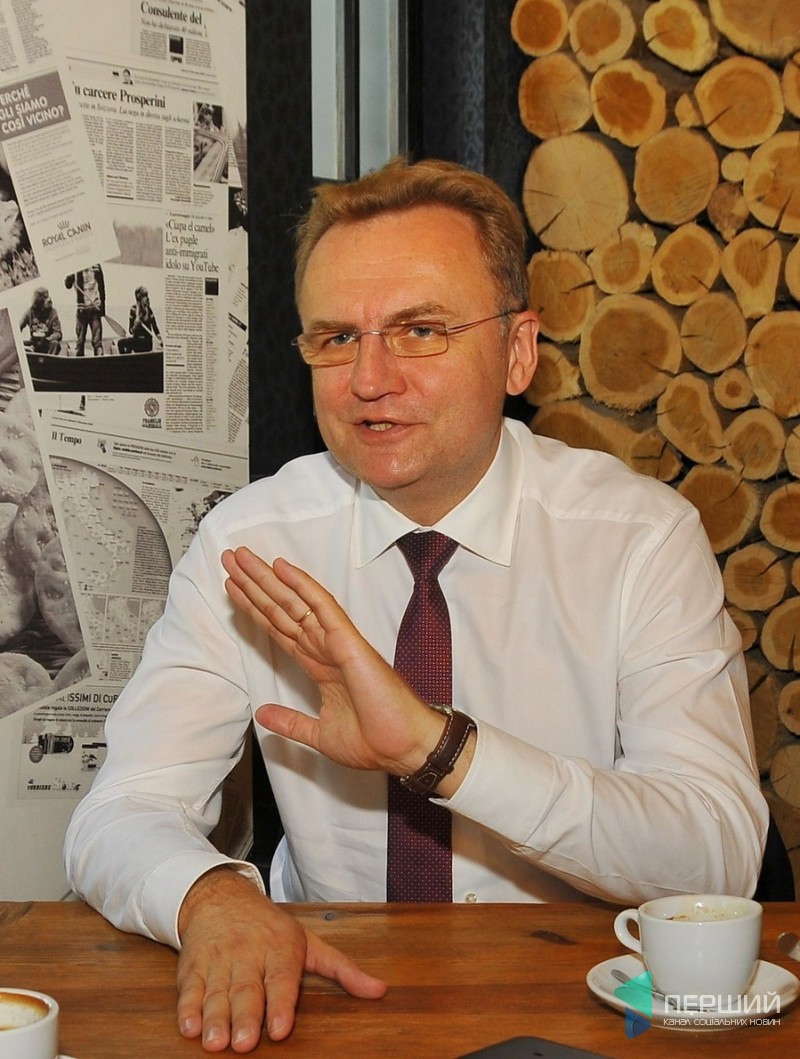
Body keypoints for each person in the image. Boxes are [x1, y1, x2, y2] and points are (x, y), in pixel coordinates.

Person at [65, 157, 768, 1053]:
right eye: (335, 337)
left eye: (421, 329)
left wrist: (442, 753)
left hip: (585, 1008)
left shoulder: (638, 539)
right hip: (325, 1001)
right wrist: (210, 895)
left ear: (518, 351)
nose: (369, 379)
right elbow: (117, 813)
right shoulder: (251, 542)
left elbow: (717, 855)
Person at [65, 264, 105, 357]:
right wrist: (70, 276)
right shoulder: (75, 268)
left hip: (95, 309)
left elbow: (102, 287)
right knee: (80, 342)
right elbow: (68, 285)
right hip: (82, 311)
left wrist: (102, 308)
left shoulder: (96, 267)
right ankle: (79, 362)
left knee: (97, 342)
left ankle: (99, 361)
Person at [117, 285, 161, 354]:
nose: (147, 298)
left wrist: (160, 340)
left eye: (146, 296)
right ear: (139, 298)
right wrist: (136, 324)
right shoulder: (133, 309)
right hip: (137, 340)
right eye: (144, 296)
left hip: (147, 343)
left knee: (123, 344)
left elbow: (155, 328)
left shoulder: (149, 310)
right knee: (122, 343)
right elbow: (131, 331)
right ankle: (126, 360)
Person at [19, 286, 62, 354]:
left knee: (55, 344)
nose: (49, 299)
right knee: (19, 345)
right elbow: (18, 328)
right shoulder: (29, 312)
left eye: (48, 296)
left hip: (47, 343)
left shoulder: (53, 312)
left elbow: (58, 333)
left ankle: (49, 359)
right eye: (45, 297)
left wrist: (48, 339)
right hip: (34, 343)